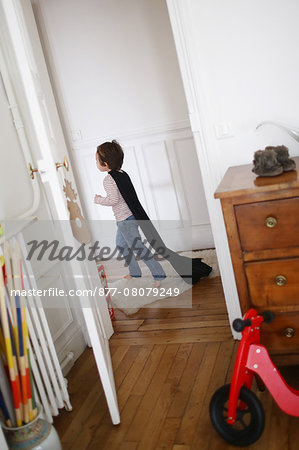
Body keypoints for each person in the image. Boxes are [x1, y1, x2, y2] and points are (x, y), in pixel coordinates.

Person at [94, 140, 166, 287]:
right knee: (121, 244)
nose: (96, 163)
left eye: (97, 160)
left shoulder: (108, 179)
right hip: (129, 217)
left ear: (105, 164)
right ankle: (135, 272)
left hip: (125, 220)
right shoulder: (122, 174)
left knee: (138, 247)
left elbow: (113, 200)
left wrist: (99, 199)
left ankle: (158, 274)